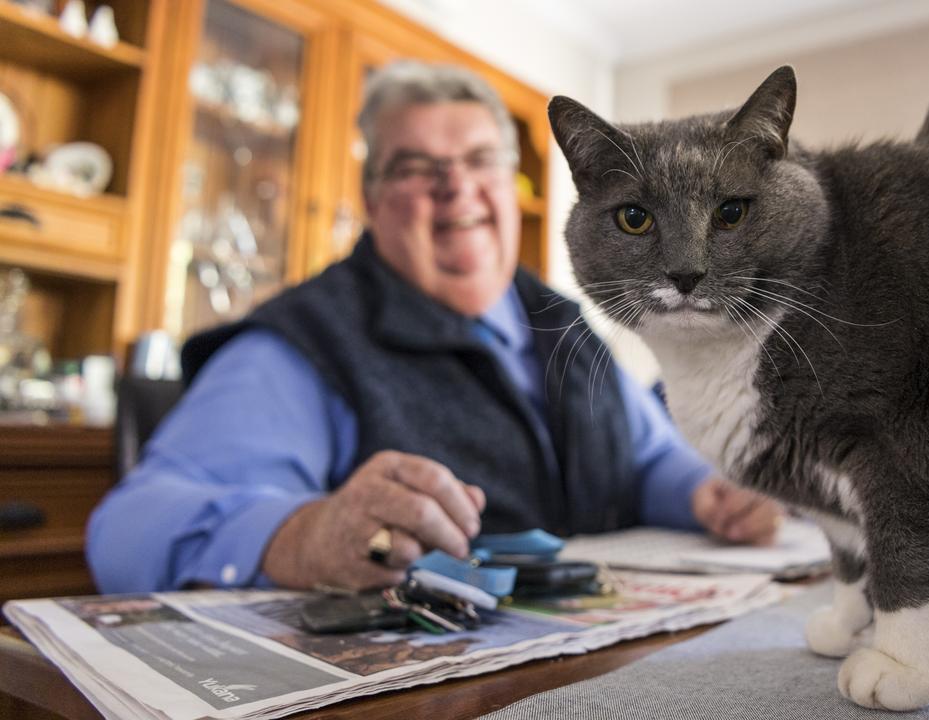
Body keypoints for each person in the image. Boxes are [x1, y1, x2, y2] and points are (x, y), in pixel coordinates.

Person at [87, 61, 783, 594]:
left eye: (482, 161)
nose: (457, 187)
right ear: (371, 201)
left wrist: (708, 493)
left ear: (516, 191)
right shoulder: (303, 343)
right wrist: (303, 537)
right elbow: (130, 527)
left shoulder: (564, 320)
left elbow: (647, 455)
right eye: (418, 168)